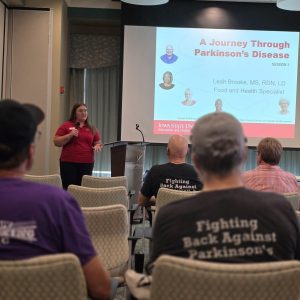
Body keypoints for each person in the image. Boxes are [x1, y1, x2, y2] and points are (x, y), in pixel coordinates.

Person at [147, 112, 300, 272]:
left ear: (196, 161)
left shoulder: (168, 217)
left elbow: (156, 282)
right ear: (244, 156)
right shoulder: (284, 213)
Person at [0, 99, 111, 299]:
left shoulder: (92, 129)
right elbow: (101, 289)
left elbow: (97, 141)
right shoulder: (58, 204)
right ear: (30, 153)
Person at [138, 135, 202, 207]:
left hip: (164, 217)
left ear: (167, 151)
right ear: (187, 151)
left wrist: (161, 200)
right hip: (192, 217)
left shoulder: (155, 171)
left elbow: (142, 201)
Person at [54, 103, 102, 189]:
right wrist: (69, 135)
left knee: (83, 189)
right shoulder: (66, 125)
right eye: (80, 110)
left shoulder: (92, 128)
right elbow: (56, 142)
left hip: (87, 163)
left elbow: (98, 142)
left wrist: (98, 146)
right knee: (69, 188)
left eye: (85, 111)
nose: (84, 113)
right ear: (74, 113)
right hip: (68, 162)